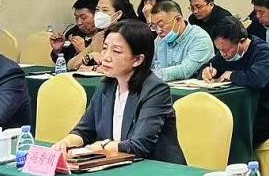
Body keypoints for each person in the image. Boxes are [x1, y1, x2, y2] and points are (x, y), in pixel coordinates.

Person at [50, 21, 184, 164]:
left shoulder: (155, 90)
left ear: (138, 59)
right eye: (105, 48)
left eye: (116, 51)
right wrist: (66, 142)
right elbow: (85, 130)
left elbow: (139, 146)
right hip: (116, 164)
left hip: (156, 169)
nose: (106, 57)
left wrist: (101, 146)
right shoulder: (106, 85)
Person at [200, 19, 269, 146]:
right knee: (207, 130)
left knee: (230, 138)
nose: (223, 54)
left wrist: (231, 75)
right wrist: (207, 70)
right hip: (241, 113)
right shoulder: (225, 53)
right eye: (219, 50)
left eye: (226, 50)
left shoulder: (262, 51)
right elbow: (211, 64)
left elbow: (257, 79)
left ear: (241, 41)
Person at [149, 1, 214, 81]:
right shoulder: (160, 40)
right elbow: (149, 64)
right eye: (154, 26)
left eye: (161, 25)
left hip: (195, 88)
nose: (158, 31)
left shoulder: (200, 38)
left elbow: (184, 71)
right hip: (165, 86)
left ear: (178, 20)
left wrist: (149, 76)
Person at [50, 0, 102, 70]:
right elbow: (66, 65)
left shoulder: (104, 36)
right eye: (76, 18)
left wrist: (83, 51)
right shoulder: (75, 32)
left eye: (83, 18)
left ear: (97, 16)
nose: (79, 22)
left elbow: (104, 66)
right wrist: (58, 51)